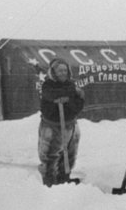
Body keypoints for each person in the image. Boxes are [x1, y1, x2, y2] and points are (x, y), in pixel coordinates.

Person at [38, 58, 85, 187]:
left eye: (65, 70)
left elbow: (78, 104)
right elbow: (51, 94)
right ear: (53, 72)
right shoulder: (48, 85)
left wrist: (72, 98)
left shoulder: (70, 84)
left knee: (69, 156)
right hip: (52, 127)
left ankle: (64, 179)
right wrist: (70, 94)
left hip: (70, 125)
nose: (63, 73)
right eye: (60, 71)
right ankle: (50, 184)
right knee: (50, 157)